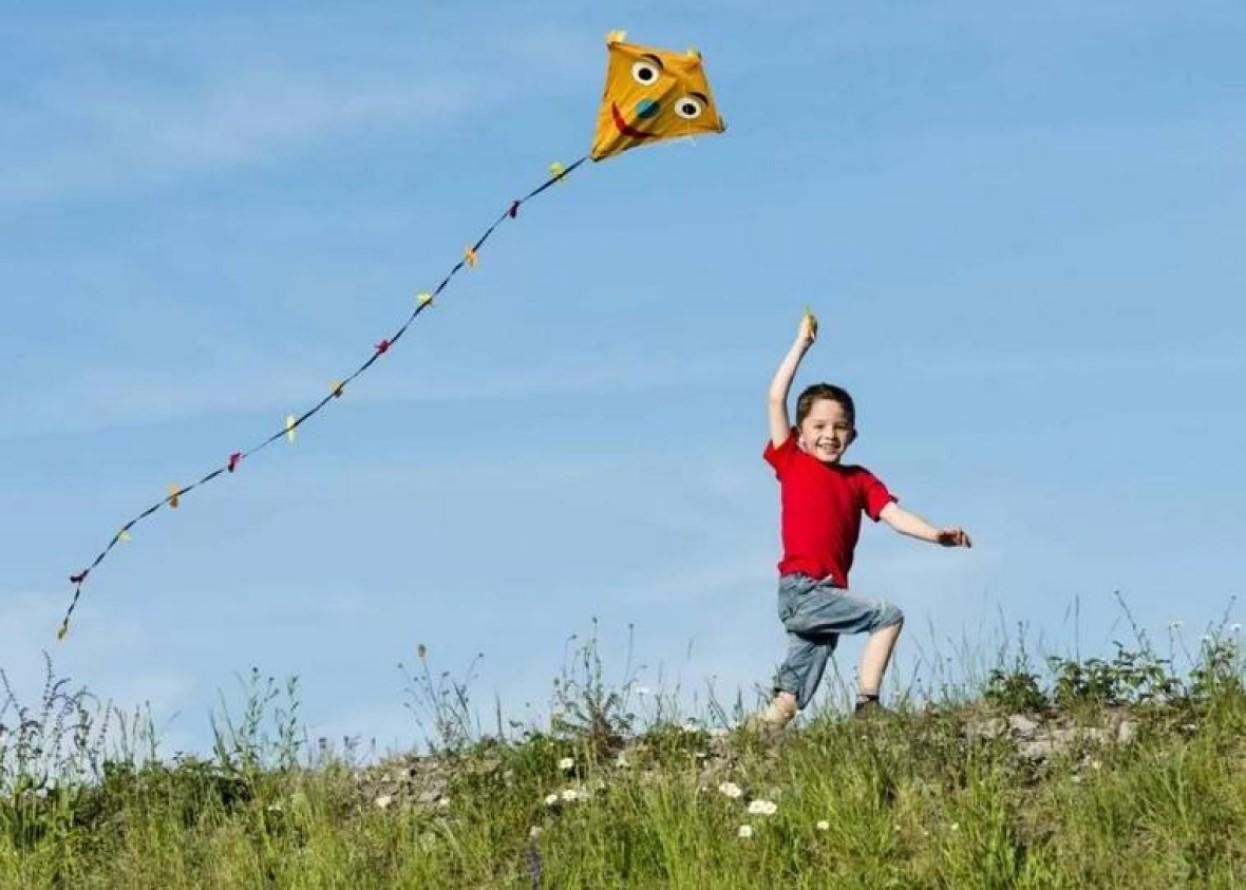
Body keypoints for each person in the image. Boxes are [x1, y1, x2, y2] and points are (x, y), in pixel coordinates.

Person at [756, 309, 972, 727]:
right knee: (887, 615)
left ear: (853, 434)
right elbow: (774, 398)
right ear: (800, 433)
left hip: (827, 594)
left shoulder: (859, 481)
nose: (829, 434)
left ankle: (760, 735)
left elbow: (893, 515)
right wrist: (802, 344)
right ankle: (868, 706)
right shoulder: (792, 462)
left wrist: (936, 535)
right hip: (803, 591)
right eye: (818, 425)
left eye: (840, 427)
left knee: (793, 693)